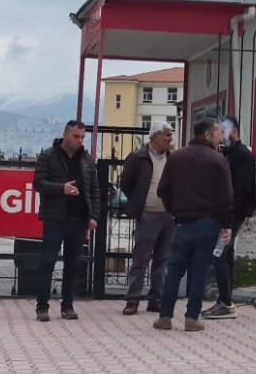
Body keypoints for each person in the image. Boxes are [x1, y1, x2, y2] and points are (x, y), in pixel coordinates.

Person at [154, 116, 232, 332]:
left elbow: (163, 190)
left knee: (174, 270)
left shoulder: (176, 157)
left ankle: (165, 317)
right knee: (199, 271)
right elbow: (226, 197)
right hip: (208, 223)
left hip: (181, 222)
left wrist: (174, 210)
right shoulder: (217, 160)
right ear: (207, 135)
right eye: (218, 133)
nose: (221, 137)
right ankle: (191, 317)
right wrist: (226, 225)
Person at [31, 120, 101, 322]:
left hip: (78, 219)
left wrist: (94, 216)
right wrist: (61, 188)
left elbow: (94, 190)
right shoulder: (48, 156)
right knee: (47, 263)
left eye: (82, 137)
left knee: (72, 264)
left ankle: (68, 305)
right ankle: (42, 307)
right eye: (76, 136)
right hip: (55, 218)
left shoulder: (86, 160)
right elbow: (38, 183)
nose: (80, 141)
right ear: (65, 135)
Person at [117, 122, 176, 315]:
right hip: (147, 214)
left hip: (168, 215)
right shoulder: (139, 157)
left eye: (171, 135)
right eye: (167, 135)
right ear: (155, 136)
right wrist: (139, 200)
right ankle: (132, 300)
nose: (170, 139)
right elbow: (125, 183)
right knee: (140, 259)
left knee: (162, 259)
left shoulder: (172, 158)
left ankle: (156, 299)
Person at [202, 116, 256, 320]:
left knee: (219, 254)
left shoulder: (242, 156)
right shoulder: (228, 154)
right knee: (225, 256)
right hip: (225, 214)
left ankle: (225, 302)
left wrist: (230, 217)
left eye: (223, 131)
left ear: (233, 132)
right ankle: (226, 300)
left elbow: (241, 190)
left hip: (232, 215)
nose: (220, 135)